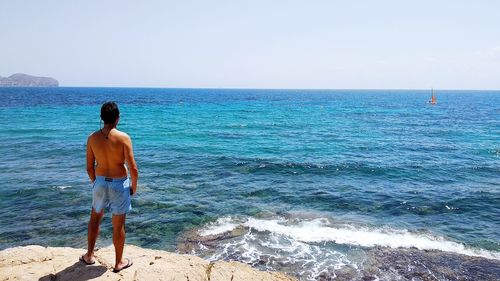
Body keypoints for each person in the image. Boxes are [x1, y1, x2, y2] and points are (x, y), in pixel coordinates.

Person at [80, 101, 139, 273]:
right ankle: (119, 262)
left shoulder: (92, 138)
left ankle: (89, 256)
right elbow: (133, 168)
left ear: (101, 118)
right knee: (118, 224)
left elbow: (89, 167)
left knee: (95, 217)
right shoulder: (123, 138)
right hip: (119, 183)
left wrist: (95, 182)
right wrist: (134, 187)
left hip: (99, 181)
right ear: (117, 118)